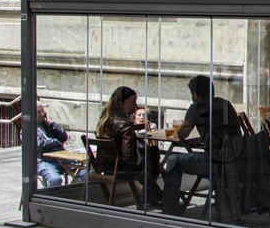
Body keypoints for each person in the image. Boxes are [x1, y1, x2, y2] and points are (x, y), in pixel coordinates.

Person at [161, 75, 242, 215]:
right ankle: (222, 204)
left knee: (173, 161)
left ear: (195, 94)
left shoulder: (197, 108)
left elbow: (182, 134)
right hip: (235, 160)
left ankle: (170, 209)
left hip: (214, 163)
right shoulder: (226, 104)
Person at [95, 86, 161, 204]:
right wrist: (139, 172)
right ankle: (155, 194)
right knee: (153, 153)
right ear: (122, 103)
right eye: (132, 102)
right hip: (123, 170)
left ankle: (154, 193)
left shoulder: (104, 121)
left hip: (107, 167)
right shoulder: (125, 126)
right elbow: (128, 157)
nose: (135, 106)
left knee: (148, 154)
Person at [33, 102, 70, 187]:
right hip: (44, 161)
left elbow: (64, 137)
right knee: (55, 180)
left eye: (43, 111)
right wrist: (55, 142)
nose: (42, 114)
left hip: (61, 158)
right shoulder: (30, 129)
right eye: (38, 112)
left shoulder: (49, 125)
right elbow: (39, 145)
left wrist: (52, 124)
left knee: (85, 173)